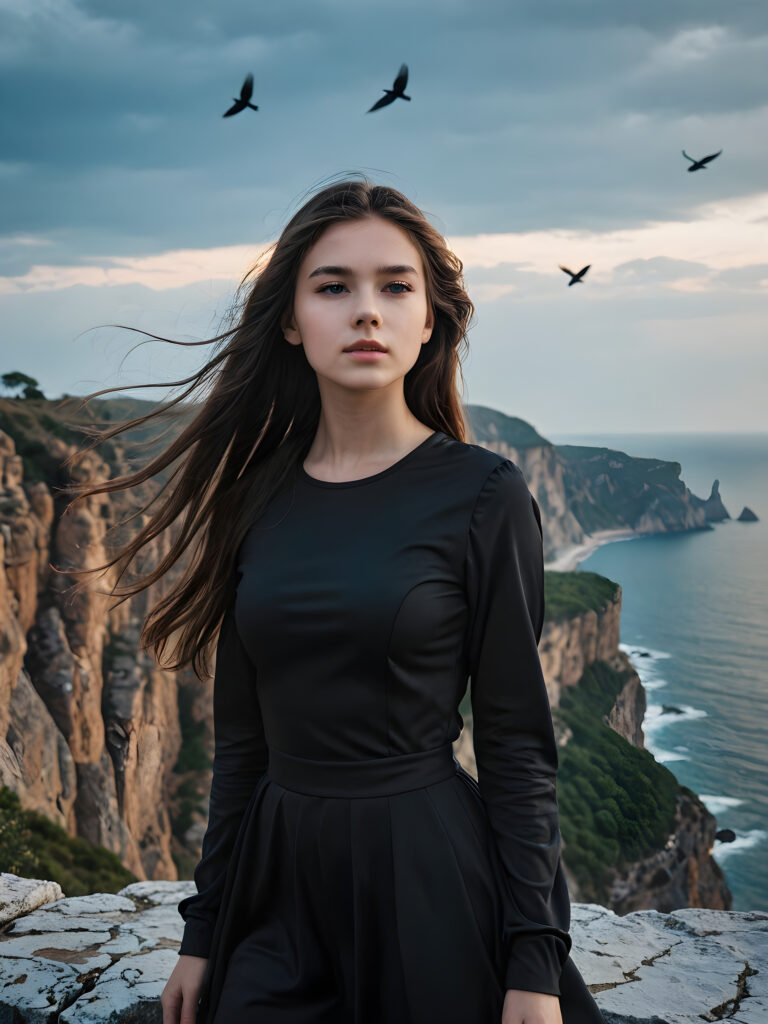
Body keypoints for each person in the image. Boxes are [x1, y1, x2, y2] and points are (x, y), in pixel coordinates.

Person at [60, 176, 605, 1024]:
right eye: (333, 287)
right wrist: (202, 936)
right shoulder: (253, 499)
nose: (366, 312)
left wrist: (533, 963)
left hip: (429, 882)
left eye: (395, 286)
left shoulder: (484, 496)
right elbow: (242, 743)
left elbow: (516, 746)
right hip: (277, 894)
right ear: (290, 320)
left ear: (431, 320)